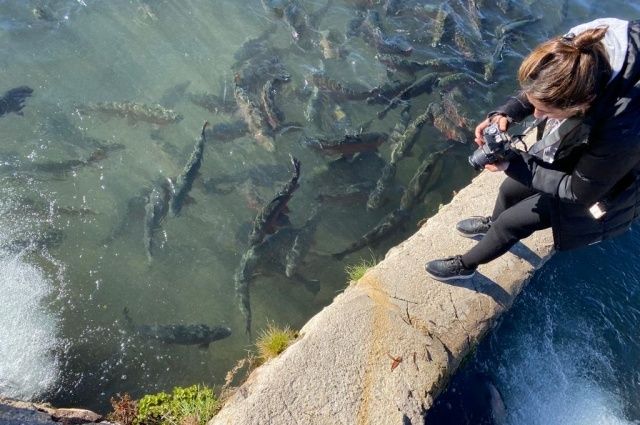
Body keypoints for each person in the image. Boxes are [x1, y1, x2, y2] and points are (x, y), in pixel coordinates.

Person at [425, 18, 640, 282]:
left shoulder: (626, 122)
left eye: (546, 111)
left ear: (583, 104)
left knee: (513, 222)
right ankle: (491, 225)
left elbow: (578, 190)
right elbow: (547, 86)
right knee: (508, 189)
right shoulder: (580, 46)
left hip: (607, 182)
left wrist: (512, 163)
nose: (536, 115)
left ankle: (466, 266)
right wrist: (508, 112)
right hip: (588, 150)